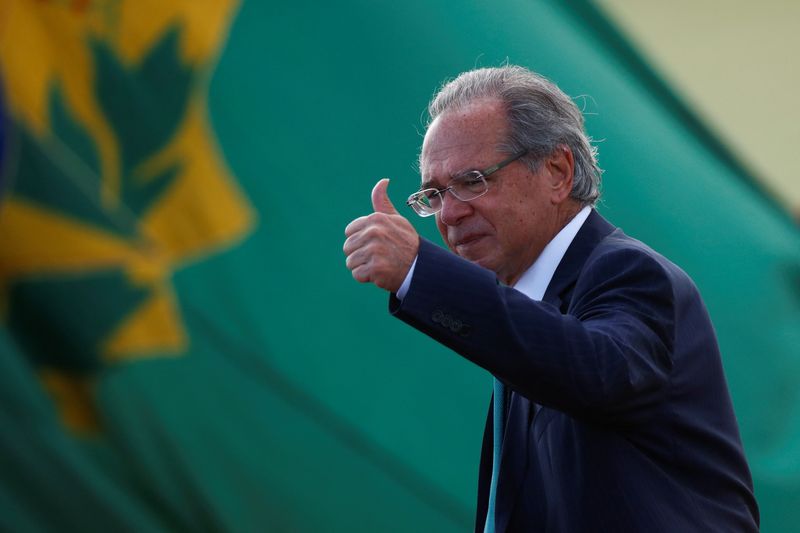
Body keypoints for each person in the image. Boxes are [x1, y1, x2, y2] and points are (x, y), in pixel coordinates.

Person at [343, 65, 759, 532]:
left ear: (558, 172)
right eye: (436, 194)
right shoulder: (526, 313)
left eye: (473, 180)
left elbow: (589, 368)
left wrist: (421, 271)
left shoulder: (628, 272)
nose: (452, 214)